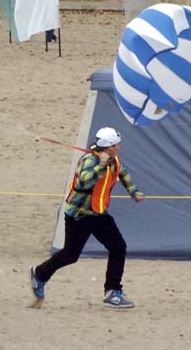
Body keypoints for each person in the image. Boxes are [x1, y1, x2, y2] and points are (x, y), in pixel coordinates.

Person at [30, 127, 145, 309]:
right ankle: (40, 274)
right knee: (70, 255)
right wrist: (101, 166)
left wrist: (134, 192)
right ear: (108, 147)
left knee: (118, 247)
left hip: (98, 213)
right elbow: (84, 181)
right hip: (80, 214)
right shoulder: (89, 160)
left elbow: (122, 173)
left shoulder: (113, 160)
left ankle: (112, 292)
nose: (119, 147)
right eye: (116, 145)